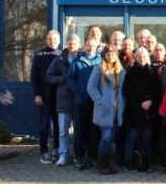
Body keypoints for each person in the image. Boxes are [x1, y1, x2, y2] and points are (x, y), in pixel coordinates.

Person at [87, 47, 126, 175]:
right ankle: (101, 163)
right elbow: (91, 87)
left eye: (113, 54)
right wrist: (100, 100)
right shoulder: (99, 69)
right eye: (108, 54)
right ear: (104, 56)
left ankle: (111, 162)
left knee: (113, 138)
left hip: (117, 110)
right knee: (106, 137)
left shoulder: (121, 71)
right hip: (104, 110)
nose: (110, 56)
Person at [46, 34, 81, 166]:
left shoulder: (81, 57)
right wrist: (62, 80)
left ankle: (78, 155)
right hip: (63, 99)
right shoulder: (59, 59)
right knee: (62, 130)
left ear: (78, 44)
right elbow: (48, 76)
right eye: (69, 43)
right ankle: (63, 154)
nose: (72, 45)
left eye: (74, 43)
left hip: (78, 99)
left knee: (79, 130)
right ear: (66, 44)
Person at [122, 47, 160, 172]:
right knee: (131, 137)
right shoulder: (130, 71)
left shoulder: (153, 71)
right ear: (135, 58)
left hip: (149, 111)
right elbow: (126, 91)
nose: (141, 58)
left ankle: (147, 162)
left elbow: (157, 90)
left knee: (147, 138)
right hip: (134, 111)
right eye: (139, 56)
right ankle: (128, 161)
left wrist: (151, 101)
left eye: (143, 56)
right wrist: (139, 103)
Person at [67, 38, 101, 170]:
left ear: (97, 46)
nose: (90, 47)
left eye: (93, 45)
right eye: (88, 45)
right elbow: (70, 78)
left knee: (94, 130)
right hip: (81, 101)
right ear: (84, 46)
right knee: (79, 130)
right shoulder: (77, 62)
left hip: (95, 102)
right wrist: (78, 90)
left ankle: (92, 156)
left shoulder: (100, 61)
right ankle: (79, 157)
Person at [31, 30, 61, 164]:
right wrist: (36, 94)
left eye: (54, 39)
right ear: (46, 40)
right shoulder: (39, 54)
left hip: (59, 97)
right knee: (44, 125)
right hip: (44, 97)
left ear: (59, 40)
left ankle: (56, 150)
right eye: (49, 39)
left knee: (58, 126)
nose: (52, 41)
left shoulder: (62, 55)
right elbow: (34, 76)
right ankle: (43, 152)